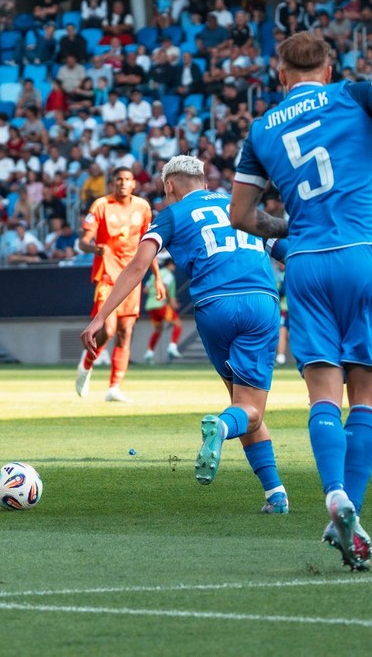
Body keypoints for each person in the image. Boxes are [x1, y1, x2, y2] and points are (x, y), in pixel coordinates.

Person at [229, 30, 372, 571]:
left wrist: (287, 227)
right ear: (329, 70)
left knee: (322, 394)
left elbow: (241, 216)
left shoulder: (261, 129)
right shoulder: (354, 93)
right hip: (360, 256)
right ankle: (349, 504)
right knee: (366, 397)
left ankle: (332, 490)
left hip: (305, 264)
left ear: (281, 74)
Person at [82, 156, 290, 513]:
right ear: (204, 181)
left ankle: (275, 494)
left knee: (244, 407)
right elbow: (289, 252)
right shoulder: (239, 206)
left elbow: (138, 266)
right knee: (248, 409)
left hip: (214, 308)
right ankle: (227, 432)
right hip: (260, 303)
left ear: (169, 186)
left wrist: (101, 316)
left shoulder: (172, 214)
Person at [75, 167, 161, 402]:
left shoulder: (143, 207)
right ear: (112, 183)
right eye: (119, 179)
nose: (123, 183)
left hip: (132, 276)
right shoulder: (101, 205)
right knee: (109, 329)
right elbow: (82, 241)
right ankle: (87, 363)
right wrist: (93, 248)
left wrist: (157, 277)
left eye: (127, 179)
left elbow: (149, 244)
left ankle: (114, 388)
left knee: (125, 332)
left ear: (134, 184)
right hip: (107, 275)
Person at [142, 256, 182, 363]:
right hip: (161, 304)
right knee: (177, 324)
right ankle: (172, 346)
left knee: (158, 330)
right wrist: (171, 301)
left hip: (150, 306)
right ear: (170, 265)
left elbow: (145, 290)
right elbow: (164, 285)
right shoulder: (168, 274)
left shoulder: (154, 275)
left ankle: (149, 352)